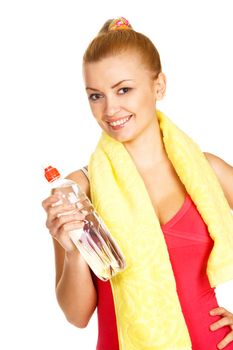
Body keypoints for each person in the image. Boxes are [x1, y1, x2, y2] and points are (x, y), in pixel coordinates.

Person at [42, 17, 233, 350]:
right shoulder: (78, 190)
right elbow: (77, 315)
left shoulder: (208, 172)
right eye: (95, 96)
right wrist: (73, 253)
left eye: (124, 89)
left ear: (158, 85)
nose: (110, 109)